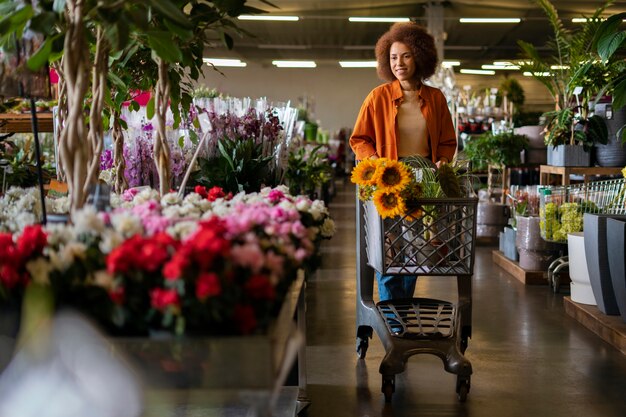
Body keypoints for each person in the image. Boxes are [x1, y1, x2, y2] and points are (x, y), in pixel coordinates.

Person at [349, 22, 457, 302]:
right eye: (393, 57)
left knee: (416, 250)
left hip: (423, 183)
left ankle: (401, 307)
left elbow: (447, 141)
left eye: (406, 56)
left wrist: (443, 161)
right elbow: (359, 139)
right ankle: (392, 315)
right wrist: (377, 163)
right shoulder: (378, 97)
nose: (399, 63)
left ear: (419, 57)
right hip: (388, 181)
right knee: (389, 249)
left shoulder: (435, 99)